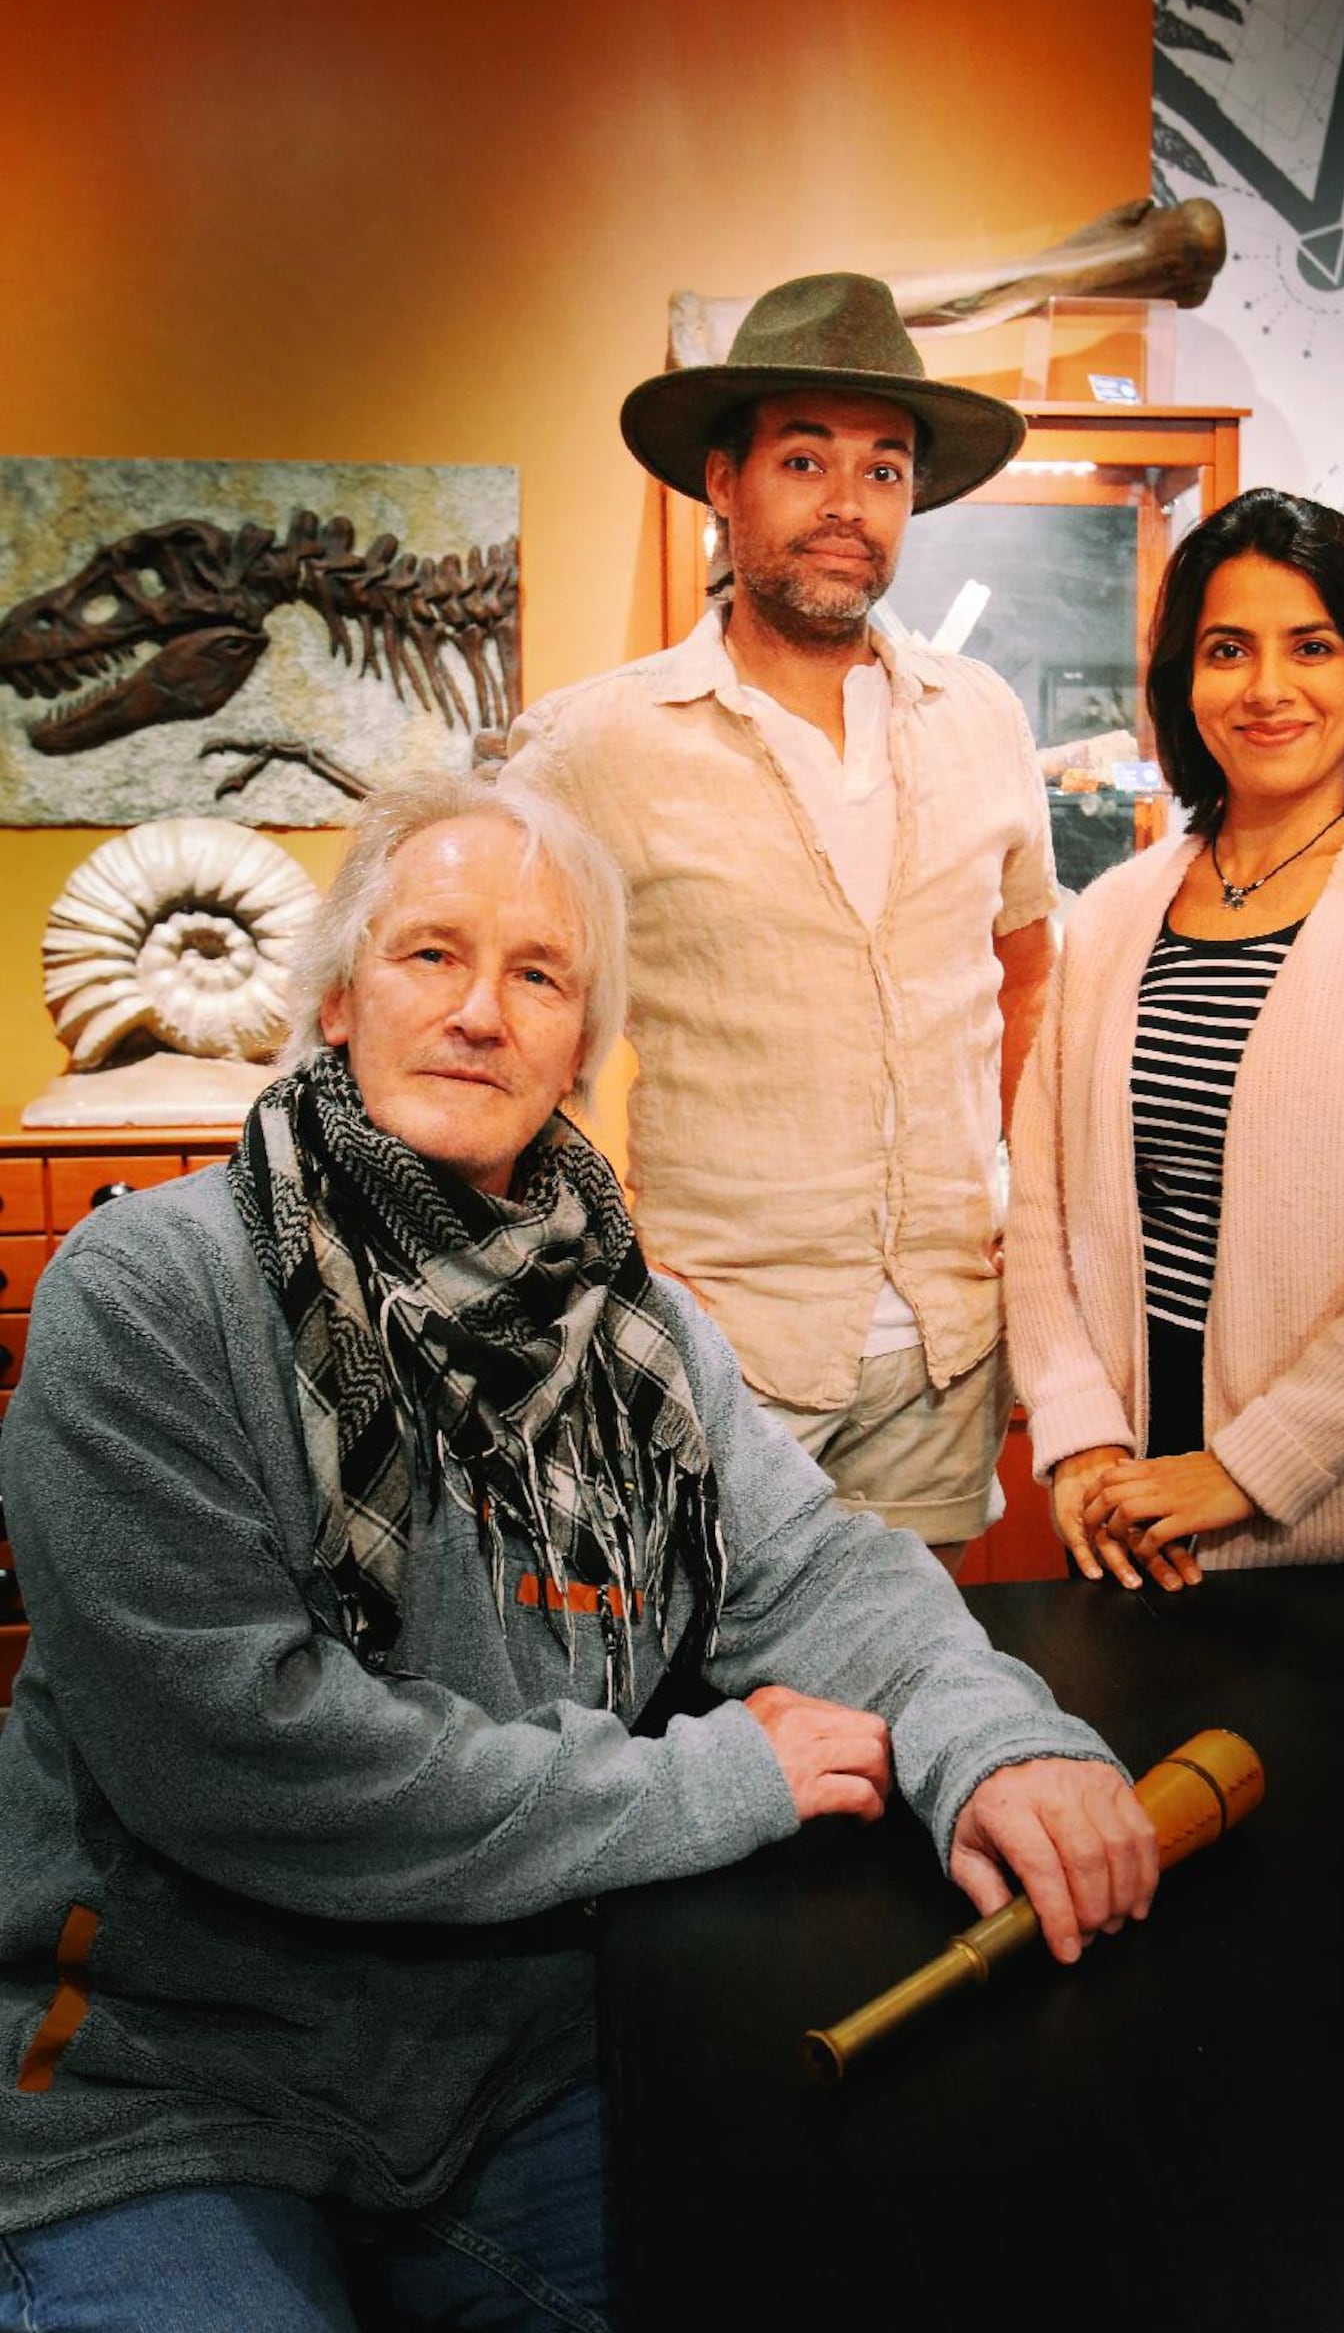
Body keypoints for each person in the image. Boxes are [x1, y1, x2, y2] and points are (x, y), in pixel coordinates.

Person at [0, 772, 1157, 2333]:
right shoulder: (148, 1292)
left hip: (515, 2064)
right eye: (431, 956)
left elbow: (810, 1569)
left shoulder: (639, 1331)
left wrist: (995, 1741)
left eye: (539, 975)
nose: (482, 1012)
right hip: (168, 2081)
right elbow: (237, 1753)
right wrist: (703, 1784)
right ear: (338, 996)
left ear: (581, 1047)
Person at [503, 271, 1056, 1574]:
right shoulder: (593, 746)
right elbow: (500, 1024)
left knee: (925, 1703)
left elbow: (1028, 972)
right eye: (805, 460)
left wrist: (1017, 1188)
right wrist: (588, 1257)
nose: (847, 508)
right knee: (722, 1721)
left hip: (943, 1352)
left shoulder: (982, 720)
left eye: (885, 470)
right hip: (716, 1353)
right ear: (724, 483)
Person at [1006, 489, 1344, 1592]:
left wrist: (1246, 1466)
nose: (1266, 688)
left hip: (1338, 1542)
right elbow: (1042, 1204)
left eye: (1311, 645)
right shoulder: (1112, 910)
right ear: (1181, 681)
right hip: (1119, 1521)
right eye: (1225, 649)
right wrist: (1078, 1433)